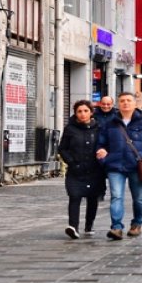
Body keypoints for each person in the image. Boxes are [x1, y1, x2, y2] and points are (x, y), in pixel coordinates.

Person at [96, 92, 142, 240]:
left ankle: (137, 223)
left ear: (135, 104)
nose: (125, 103)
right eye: (122, 101)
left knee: (138, 198)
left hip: (136, 166)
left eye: (128, 100)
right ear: (118, 104)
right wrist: (102, 153)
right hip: (115, 165)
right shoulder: (110, 123)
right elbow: (101, 143)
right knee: (116, 196)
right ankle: (116, 227)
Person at [57, 100, 105, 238]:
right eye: (79, 111)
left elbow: (104, 145)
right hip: (76, 170)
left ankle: (89, 225)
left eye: (85, 111)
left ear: (91, 112)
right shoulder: (70, 129)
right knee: (74, 196)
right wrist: (71, 162)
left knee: (92, 198)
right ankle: (73, 227)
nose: (82, 114)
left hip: (95, 170)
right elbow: (62, 148)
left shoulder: (99, 128)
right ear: (75, 113)